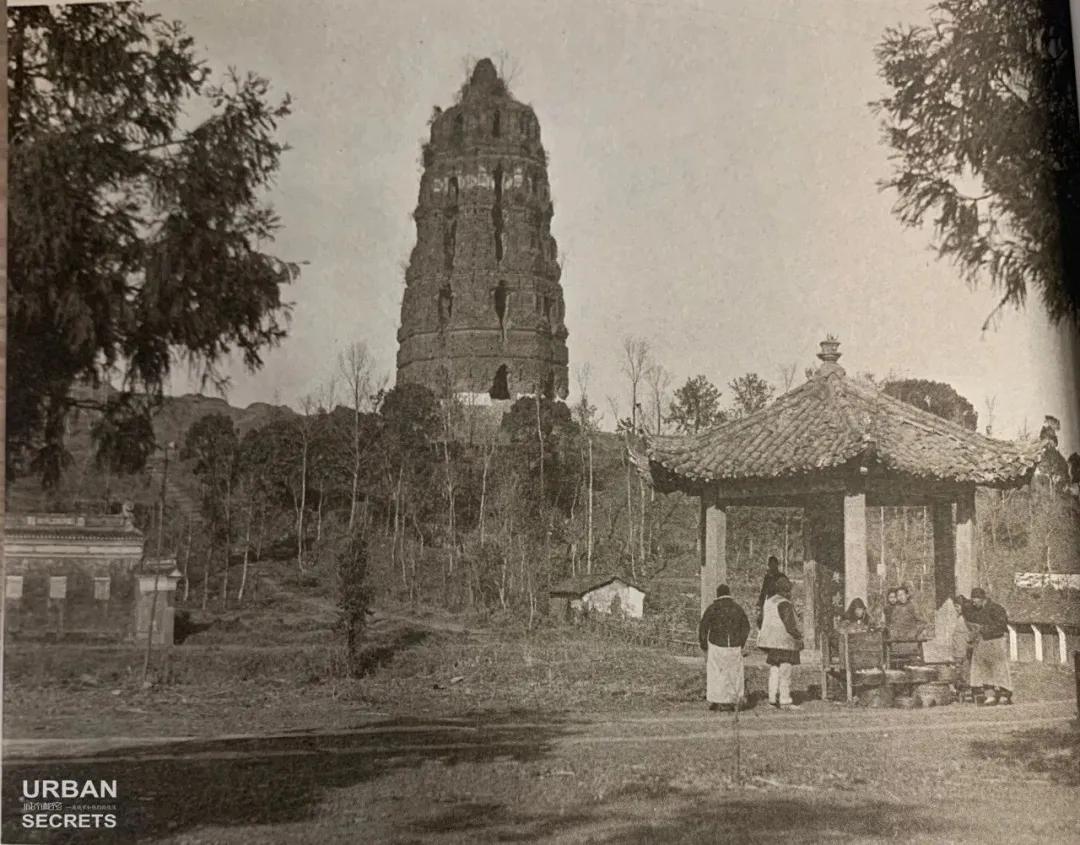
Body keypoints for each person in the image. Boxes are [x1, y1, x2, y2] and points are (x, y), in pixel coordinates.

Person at [698, 584, 751, 712]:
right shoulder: (737, 609)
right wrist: (741, 642)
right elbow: (746, 627)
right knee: (734, 673)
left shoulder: (712, 608)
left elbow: (703, 627)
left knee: (717, 674)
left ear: (718, 595)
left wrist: (704, 645)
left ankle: (718, 701)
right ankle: (734, 700)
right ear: (729, 593)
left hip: (716, 645)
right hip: (734, 646)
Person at [757, 575, 803, 709]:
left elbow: (760, 621)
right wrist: (799, 636)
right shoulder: (785, 603)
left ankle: (772, 699)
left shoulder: (769, 601)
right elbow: (790, 625)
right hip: (785, 643)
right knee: (785, 671)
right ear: (787, 590)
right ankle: (785, 700)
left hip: (771, 643)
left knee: (774, 670)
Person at [966, 588, 1013, 705]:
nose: (973, 602)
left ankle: (1004, 695)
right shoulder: (976, 610)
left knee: (1000, 668)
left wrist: (984, 628)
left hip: (996, 641)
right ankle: (990, 695)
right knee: (984, 669)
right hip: (982, 642)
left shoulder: (996, 608)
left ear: (983, 599)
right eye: (972, 600)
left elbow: (1002, 625)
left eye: (975, 600)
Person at [887, 584, 928, 665]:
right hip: (898, 641)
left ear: (907, 595)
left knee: (911, 663)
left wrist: (914, 632)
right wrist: (893, 632)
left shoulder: (913, 606)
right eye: (898, 595)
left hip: (910, 641)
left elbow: (923, 622)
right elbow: (893, 623)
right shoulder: (896, 608)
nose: (900, 597)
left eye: (902, 594)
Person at [755, 556, 783, 627]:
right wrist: (760, 602)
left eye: (773, 564)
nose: (771, 567)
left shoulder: (782, 577)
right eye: (770, 565)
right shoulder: (767, 577)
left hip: (778, 604)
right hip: (767, 603)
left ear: (777, 565)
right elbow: (763, 591)